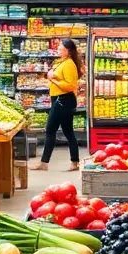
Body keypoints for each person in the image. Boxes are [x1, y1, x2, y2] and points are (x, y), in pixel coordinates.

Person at [33, 39, 83, 172]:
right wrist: (49, 75)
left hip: (64, 99)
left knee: (50, 130)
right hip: (59, 99)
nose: (59, 51)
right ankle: (74, 162)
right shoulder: (62, 62)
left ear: (69, 50)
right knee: (68, 131)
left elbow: (70, 86)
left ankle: (44, 163)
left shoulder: (69, 64)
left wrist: (53, 79)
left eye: (61, 49)